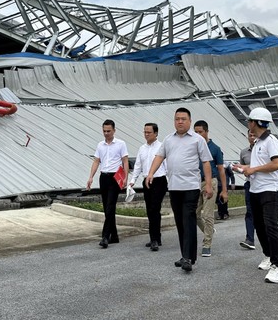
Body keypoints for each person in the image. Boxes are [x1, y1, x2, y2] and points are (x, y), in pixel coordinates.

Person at [146, 108, 213, 273]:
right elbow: (159, 157)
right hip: (174, 187)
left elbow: (206, 162)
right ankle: (186, 255)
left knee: (188, 219)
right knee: (180, 222)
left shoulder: (197, 140)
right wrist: (151, 173)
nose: (180, 122)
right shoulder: (168, 140)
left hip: (190, 186)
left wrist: (209, 185)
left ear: (189, 121)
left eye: (183, 119)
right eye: (177, 119)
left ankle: (188, 258)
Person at [234, 107, 278, 284]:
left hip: (270, 189)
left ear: (255, 122)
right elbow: (256, 168)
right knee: (259, 226)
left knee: (271, 226)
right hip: (255, 189)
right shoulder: (256, 144)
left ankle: (277, 267)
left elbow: (277, 163)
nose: (248, 124)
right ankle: (268, 255)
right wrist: (244, 169)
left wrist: (253, 169)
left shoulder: (271, 141)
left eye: (249, 121)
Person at [86, 119, 129, 248]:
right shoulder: (100, 145)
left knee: (110, 205)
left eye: (109, 131)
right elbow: (96, 161)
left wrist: (126, 177)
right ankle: (114, 235)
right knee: (107, 208)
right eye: (104, 131)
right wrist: (90, 177)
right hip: (103, 177)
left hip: (115, 177)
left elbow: (125, 161)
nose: (106, 133)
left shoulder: (121, 144)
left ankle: (105, 236)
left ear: (114, 131)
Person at [128, 122, 167, 251]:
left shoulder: (162, 147)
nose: (146, 134)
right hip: (146, 181)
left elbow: (167, 166)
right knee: (150, 209)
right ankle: (156, 237)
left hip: (159, 180)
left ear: (156, 133)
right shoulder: (142, 148)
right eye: (145, 132)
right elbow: (138, 166)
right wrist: (132, 180)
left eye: (149, 132)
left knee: (155, 208)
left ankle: (154, 239)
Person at [193, 120, 228, 258]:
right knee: (194, 214)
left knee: (207, 214)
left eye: (200, 132)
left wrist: (224, 190)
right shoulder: (193, 147)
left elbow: (221, 170)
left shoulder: (215, 148)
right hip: (195, 183)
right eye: (195, 132)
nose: (197, 134)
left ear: (206, 132)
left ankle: (207, 244)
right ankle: (209, 230)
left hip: (211, 182)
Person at [237, 131, 257, 250]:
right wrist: (238, 169)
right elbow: (243, 168)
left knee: (262, 213)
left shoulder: (263, 149)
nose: (252, 137)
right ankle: (250, 239)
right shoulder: (244, 152)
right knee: (249, 212)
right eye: (250, 135)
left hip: (263, 186)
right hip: (249, 184)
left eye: (254, 135)